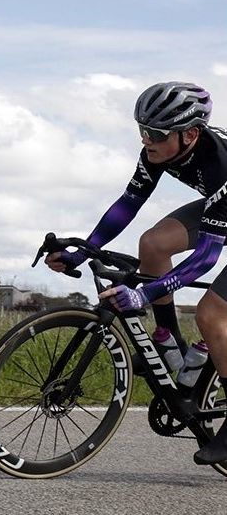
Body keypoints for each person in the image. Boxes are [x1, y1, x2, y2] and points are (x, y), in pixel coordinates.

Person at [45, 81, 227, 464]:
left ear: (190, 134)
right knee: (153, 244)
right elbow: (129, 202)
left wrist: (143, 294)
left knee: (212, 313)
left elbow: (206, 258)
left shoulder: (220, 164)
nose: (146, 140)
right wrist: (83, 251)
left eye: (156, 134)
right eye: (142, 130)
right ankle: (169, 343)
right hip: (220, 208)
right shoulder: (157, 151)